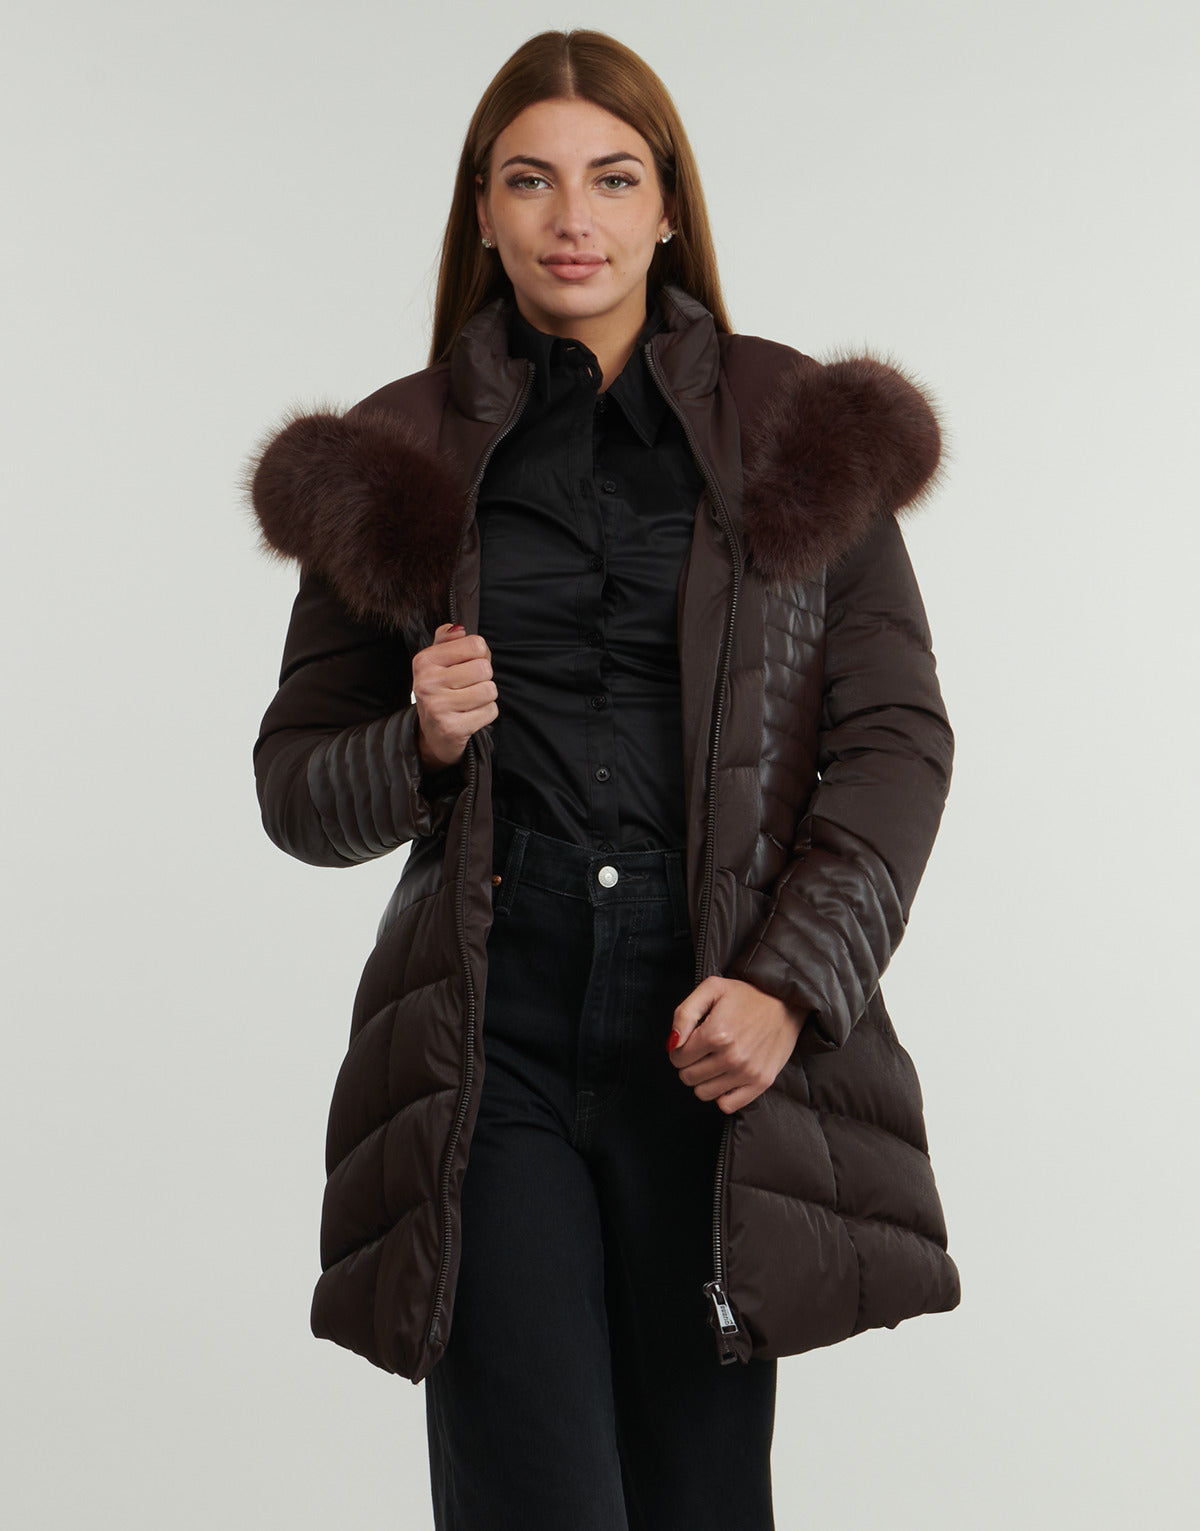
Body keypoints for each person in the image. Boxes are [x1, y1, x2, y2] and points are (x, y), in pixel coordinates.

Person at [245, 27, 960, 1531]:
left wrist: (789, 986)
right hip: (489, 1034)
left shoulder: (797, 433)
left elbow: (895, 745)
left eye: (613, 178)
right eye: (532, 180)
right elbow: (297, 787)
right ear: (483, 208)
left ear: (668, 206)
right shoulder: (395, 456)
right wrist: (417, 744)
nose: (573, 217)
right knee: (537, 1501)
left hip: (707, 1036)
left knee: (702, 1502)